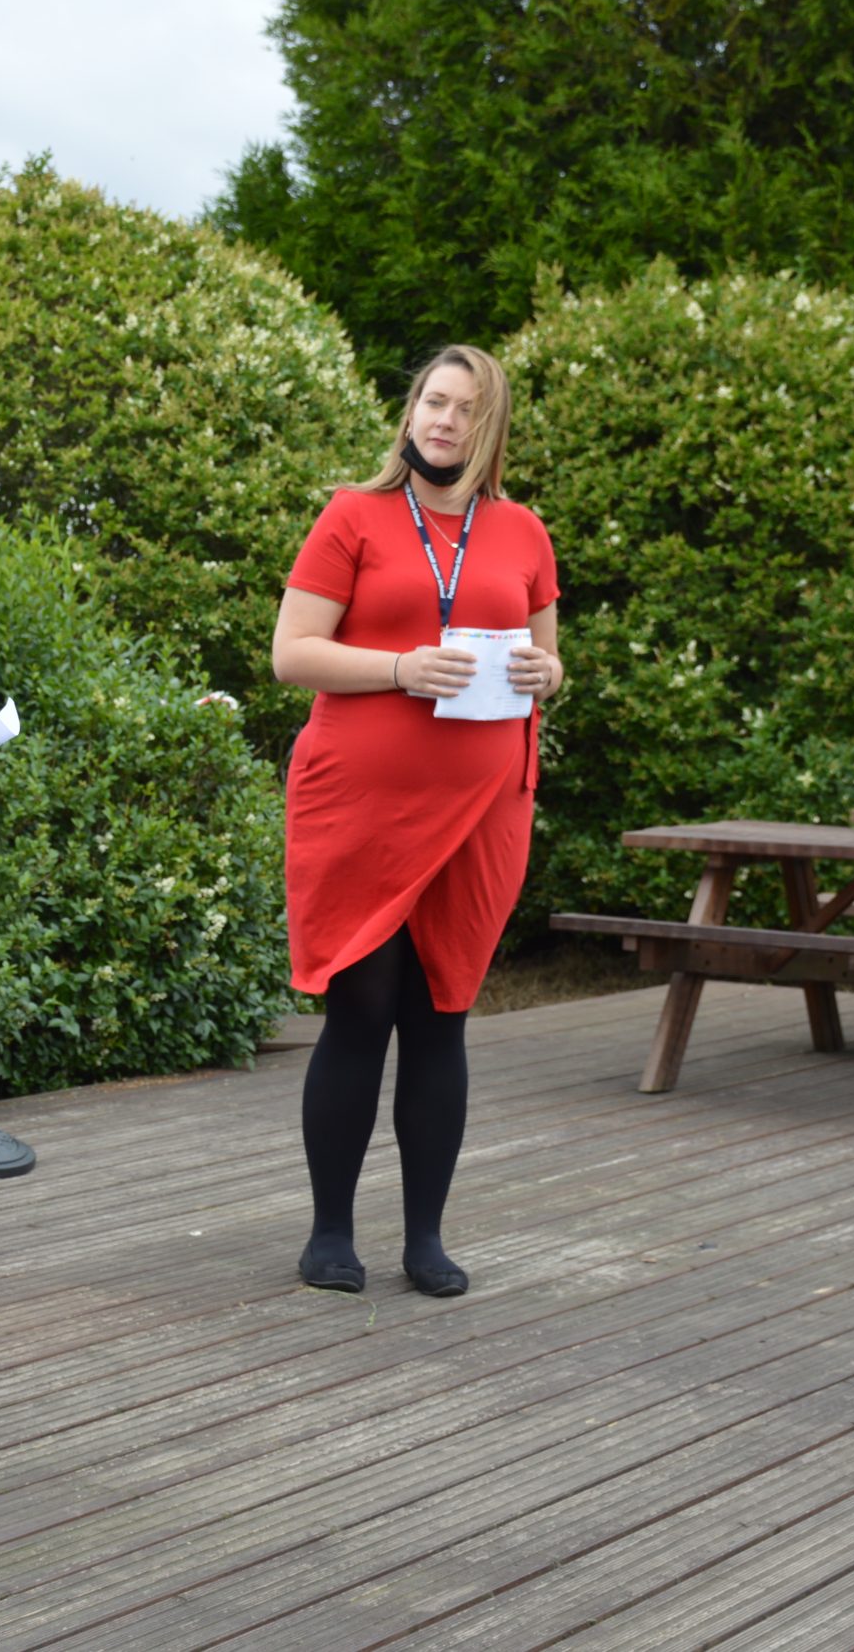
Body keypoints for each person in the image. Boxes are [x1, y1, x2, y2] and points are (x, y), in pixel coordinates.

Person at [268, 344, 562, 1299]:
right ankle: (329, 1233)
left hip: (482, 809)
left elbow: (547, 662)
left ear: (491, 428)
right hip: (362, 807)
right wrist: (401, 666)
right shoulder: (353, 515)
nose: (444, 421)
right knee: (360, 1011)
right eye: (433, 402)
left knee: (443, 1017)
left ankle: (426, 1237)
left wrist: (546, 675)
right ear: (410, 413)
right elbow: (292, 654)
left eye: (465, 410)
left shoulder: (523, 532)